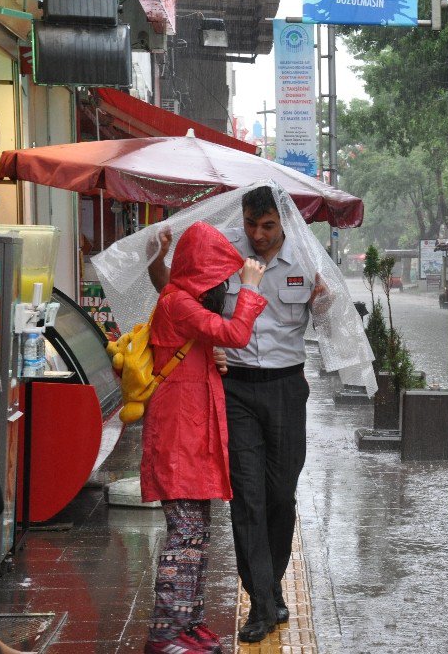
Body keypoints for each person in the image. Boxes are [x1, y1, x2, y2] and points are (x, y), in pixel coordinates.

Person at [149, 186, 324, 644]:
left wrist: (324, 301)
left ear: (283, 222)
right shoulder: (221, 252)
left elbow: (328, 318)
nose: (258, 235)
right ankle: (261, 604)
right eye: (251, 224)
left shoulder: (308, 259)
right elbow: (180, 295)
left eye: (267, 226)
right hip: (237, 389)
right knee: (247, 498)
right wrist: (157, 263)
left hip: (287, 385)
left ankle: (271, 585)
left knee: (280, 494)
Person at [142, 221, 268, 654]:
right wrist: (251, 288)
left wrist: (157, 257)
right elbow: (236, 334)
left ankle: (188, 624)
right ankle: (165, 634)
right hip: (180, 436)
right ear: (201, 273)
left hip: (192, 434)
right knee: (184, 535)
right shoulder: (179, 303)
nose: (225, 284)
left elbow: (213, 339)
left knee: (197, 534)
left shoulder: (181, 300)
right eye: (218, 276)